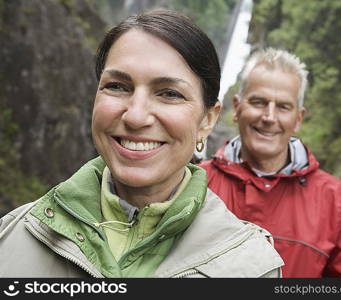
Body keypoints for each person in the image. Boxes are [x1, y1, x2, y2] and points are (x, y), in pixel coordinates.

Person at [0, 11, 284, 278]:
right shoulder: (12, 235)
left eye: (169, 94)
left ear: (207, 120)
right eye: (118, 86)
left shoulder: (254, 269)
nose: (135, 116)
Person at [200, 48, 341, 277]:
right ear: (237, 108)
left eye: (283, 107)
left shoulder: (337, 203)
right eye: (258, 102)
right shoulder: (195, 184)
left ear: (298, 119)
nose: (269, 117)